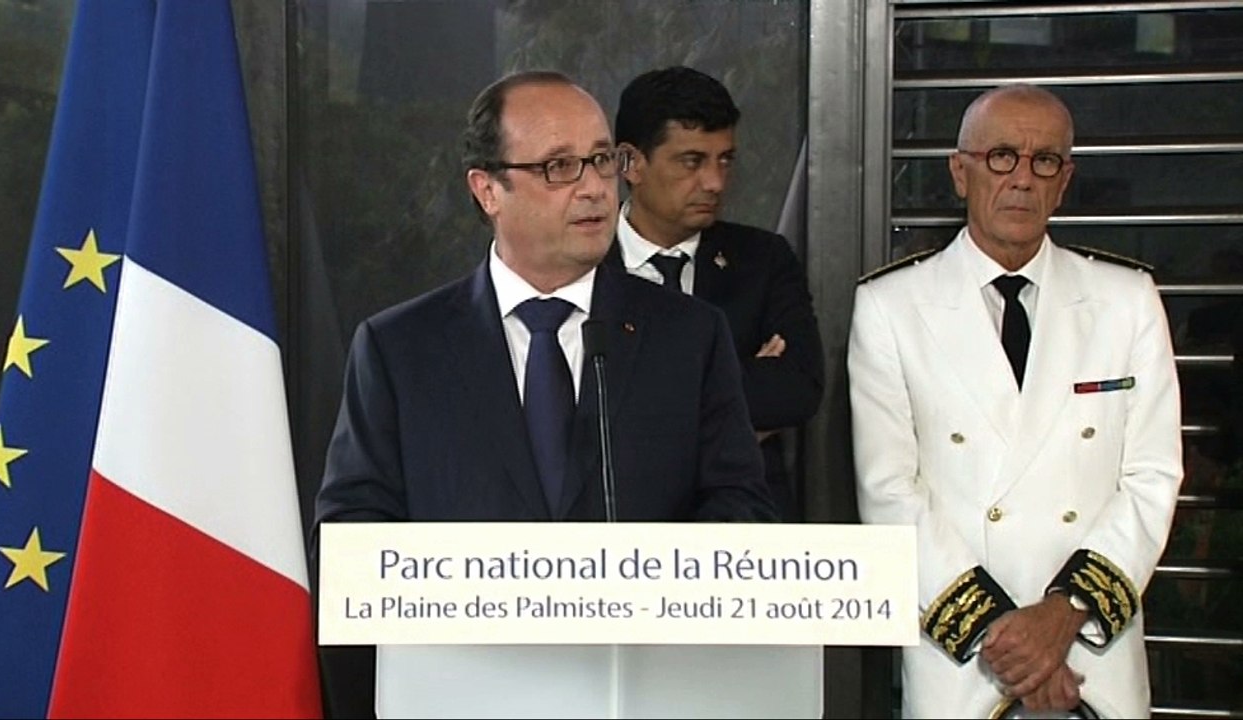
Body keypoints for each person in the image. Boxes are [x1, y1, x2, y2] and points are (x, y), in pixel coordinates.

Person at [847, 83, 1183, 718]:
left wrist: (1060, 621)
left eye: (1045, 161)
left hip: (1091, 654)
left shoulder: (1126, 300)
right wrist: (1012, 646)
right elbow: (889, 491)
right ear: (960, 172)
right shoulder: (890, 308)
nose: (1022, 179)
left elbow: (1152, 478)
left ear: (1065, 180)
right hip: (969, 659)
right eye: (1002, 156)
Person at [315, 69, 776, 530]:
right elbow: (350, 536)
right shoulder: (399, 349)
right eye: (559, 167)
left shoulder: (689, 336)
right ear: (488, 190)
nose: (595, 188)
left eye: (601, 160)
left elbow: (740, 511)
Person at [606, 65, 824, 522]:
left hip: (744, 534)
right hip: (620, 540)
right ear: (630, 163)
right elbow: (574, 405)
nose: (715, 182)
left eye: (725, 160)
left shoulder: (763, 260)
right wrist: (729, 407)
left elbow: (797, 388)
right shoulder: (584, 266)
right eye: (692, 161)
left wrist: (642, 405)